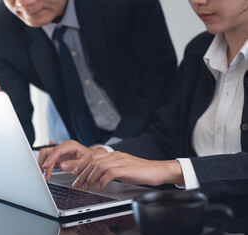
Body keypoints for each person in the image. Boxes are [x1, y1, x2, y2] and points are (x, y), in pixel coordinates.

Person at [39, 0, 248, 198]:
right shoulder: (198, 51)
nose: (198, 1)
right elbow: (165, 136)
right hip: (199, 218)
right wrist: (102, 155)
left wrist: (170, 170)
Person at [0, 0, 177, 147]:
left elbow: (159, 78)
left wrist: (112, 149)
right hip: (75, 139)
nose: (25, 3)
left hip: (150, 131)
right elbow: (17, 122)